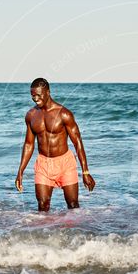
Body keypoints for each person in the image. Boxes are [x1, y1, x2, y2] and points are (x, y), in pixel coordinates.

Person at [15, 78, 96, 210]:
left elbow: (77, 143)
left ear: (48, 92)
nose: (35, 99)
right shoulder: (31, 115)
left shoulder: (64, 114)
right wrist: (20, 171)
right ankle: (45, 231)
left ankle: (74, 231)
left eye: (38, 95)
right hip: (43, 164)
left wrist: (85, 172)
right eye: (33, 95)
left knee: (73, 205)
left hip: (65, 163)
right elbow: (29, 144)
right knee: (42, 205)